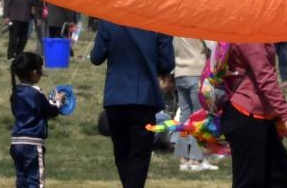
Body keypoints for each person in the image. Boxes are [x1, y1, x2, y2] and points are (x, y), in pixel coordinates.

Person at [90, 20, 175, 188]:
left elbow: (96, 57)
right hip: (144, 97)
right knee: (140, 155)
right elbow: (167, 64)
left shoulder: (109, 22)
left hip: (116, 96)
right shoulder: (159, 23)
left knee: (122, 152)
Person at [216, 39, 287, 188]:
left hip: (261, 117)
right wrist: (286, 115)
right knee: (250, 182)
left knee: (281, 173)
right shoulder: (250, 36)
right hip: (245, 115)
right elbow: (264, 77)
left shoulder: (259, 32)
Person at [9, 51, 67, 188]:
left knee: (21, 180)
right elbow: (48, 110)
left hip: (16, 143)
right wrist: (58, 102)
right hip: (32, 144)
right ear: (34, 73)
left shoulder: (16, 92)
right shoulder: (35, 92)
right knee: (36, 180)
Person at [171, 36, 216, 172]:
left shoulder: (176, 27)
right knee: (199, 118)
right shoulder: (198, 24)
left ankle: (183, 157)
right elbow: (213, 46)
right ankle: (196, 158)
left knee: (184, 118)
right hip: (196, 71)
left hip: (179, 73)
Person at [2, 0, 41, 67]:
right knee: (13, 39)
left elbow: (33, 7)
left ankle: (18, 54)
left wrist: (36, 18)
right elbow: (7, 3)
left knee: (24, 39)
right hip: (14, 18)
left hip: (26, 19)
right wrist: (6, 16)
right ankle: (10, 56)